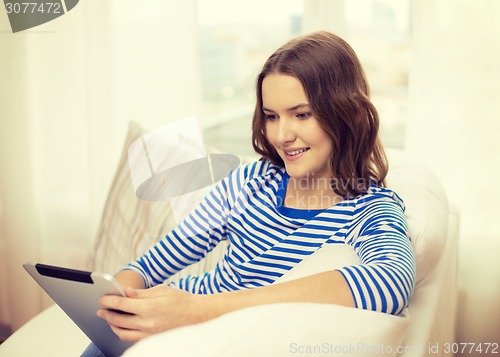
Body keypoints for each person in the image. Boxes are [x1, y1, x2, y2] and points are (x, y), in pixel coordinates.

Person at [82, 31, 415, 356]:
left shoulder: (371, 210)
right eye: (272, 116)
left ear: (348, 114)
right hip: (172, 323)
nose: (282, 135)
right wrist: (117, 295)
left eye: (301, 114)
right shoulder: (248, 182)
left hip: (211, 335)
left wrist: (200, 310)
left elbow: (390, 282)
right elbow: (154, 264)